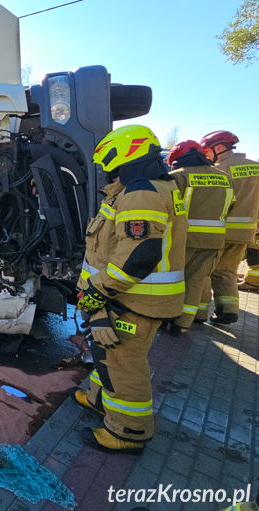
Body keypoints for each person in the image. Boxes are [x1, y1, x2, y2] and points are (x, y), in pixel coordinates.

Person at [72, 124, 186, 454]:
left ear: (125, 153)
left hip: (132, 298)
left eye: (110, 162)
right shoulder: (150, 187)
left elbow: (138, 256)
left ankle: (128, 431)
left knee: (124, 363)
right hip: (131, 296)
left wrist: (99, 292)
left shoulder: (141, 193)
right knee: (107, 353)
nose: (107, 169)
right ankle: (98, 400)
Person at [166, 140, 233, 330]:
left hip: (183, 238)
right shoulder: (224, 177)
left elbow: (167, 205)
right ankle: (183, 323)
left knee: (175, 280)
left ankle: (170, 318)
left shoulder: (179, 176)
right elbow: (231, 205)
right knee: (196, 280)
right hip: (215, 240)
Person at [199, 130, 259, 324]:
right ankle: (228, 310)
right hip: (246, 233)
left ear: (219, 147)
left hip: (220, 231)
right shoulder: (256, 168)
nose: (206, 155)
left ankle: (198, 314)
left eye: (207, 150)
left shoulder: (219, 170)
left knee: (205, 272)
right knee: (227, 271)